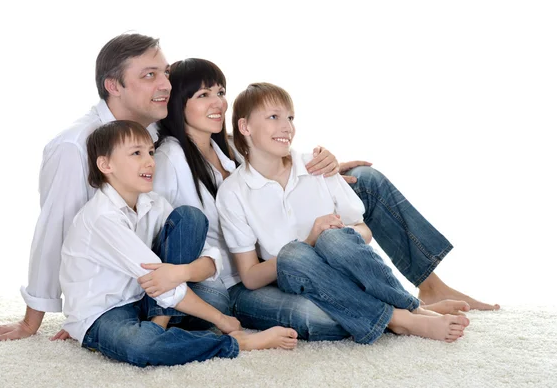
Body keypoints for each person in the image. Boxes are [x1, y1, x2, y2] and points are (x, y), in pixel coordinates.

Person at [0, 33, 339, 342]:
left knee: (364, 184)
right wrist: (46, 317)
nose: (164, 84)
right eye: (149, 75)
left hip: (210, 269)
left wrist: (313, 162)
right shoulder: (74, 146)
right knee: (311, 315)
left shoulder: (159, 131)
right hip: (169, 281)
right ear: (114, 85)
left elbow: (232, 150)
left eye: (164, 73)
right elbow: (56, 229)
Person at [153, 58, 478, 341]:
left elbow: (275, 150)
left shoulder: (227, 147)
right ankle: (401, 315)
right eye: (203, 95)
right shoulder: (171, 159)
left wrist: (331, 167)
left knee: (364, 180)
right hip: (240, 276)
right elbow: (165, 233)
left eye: (221, 93)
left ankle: (428, 287)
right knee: (319, 315)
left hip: (289, 250)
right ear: (178, 102)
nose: (218, 103)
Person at [58, 120, 297, 367]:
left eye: (150, 152)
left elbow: (211, 259)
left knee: (191, 218)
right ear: (105, 164)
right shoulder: (102, 217)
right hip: (105, 311)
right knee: (142, 346)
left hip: (144, 298)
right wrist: (222, 320)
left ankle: (160, 326)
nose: (150, 161)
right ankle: (238, 343)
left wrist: (181, 272)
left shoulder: (153, 203)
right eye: (136, 153)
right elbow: (159, 280)